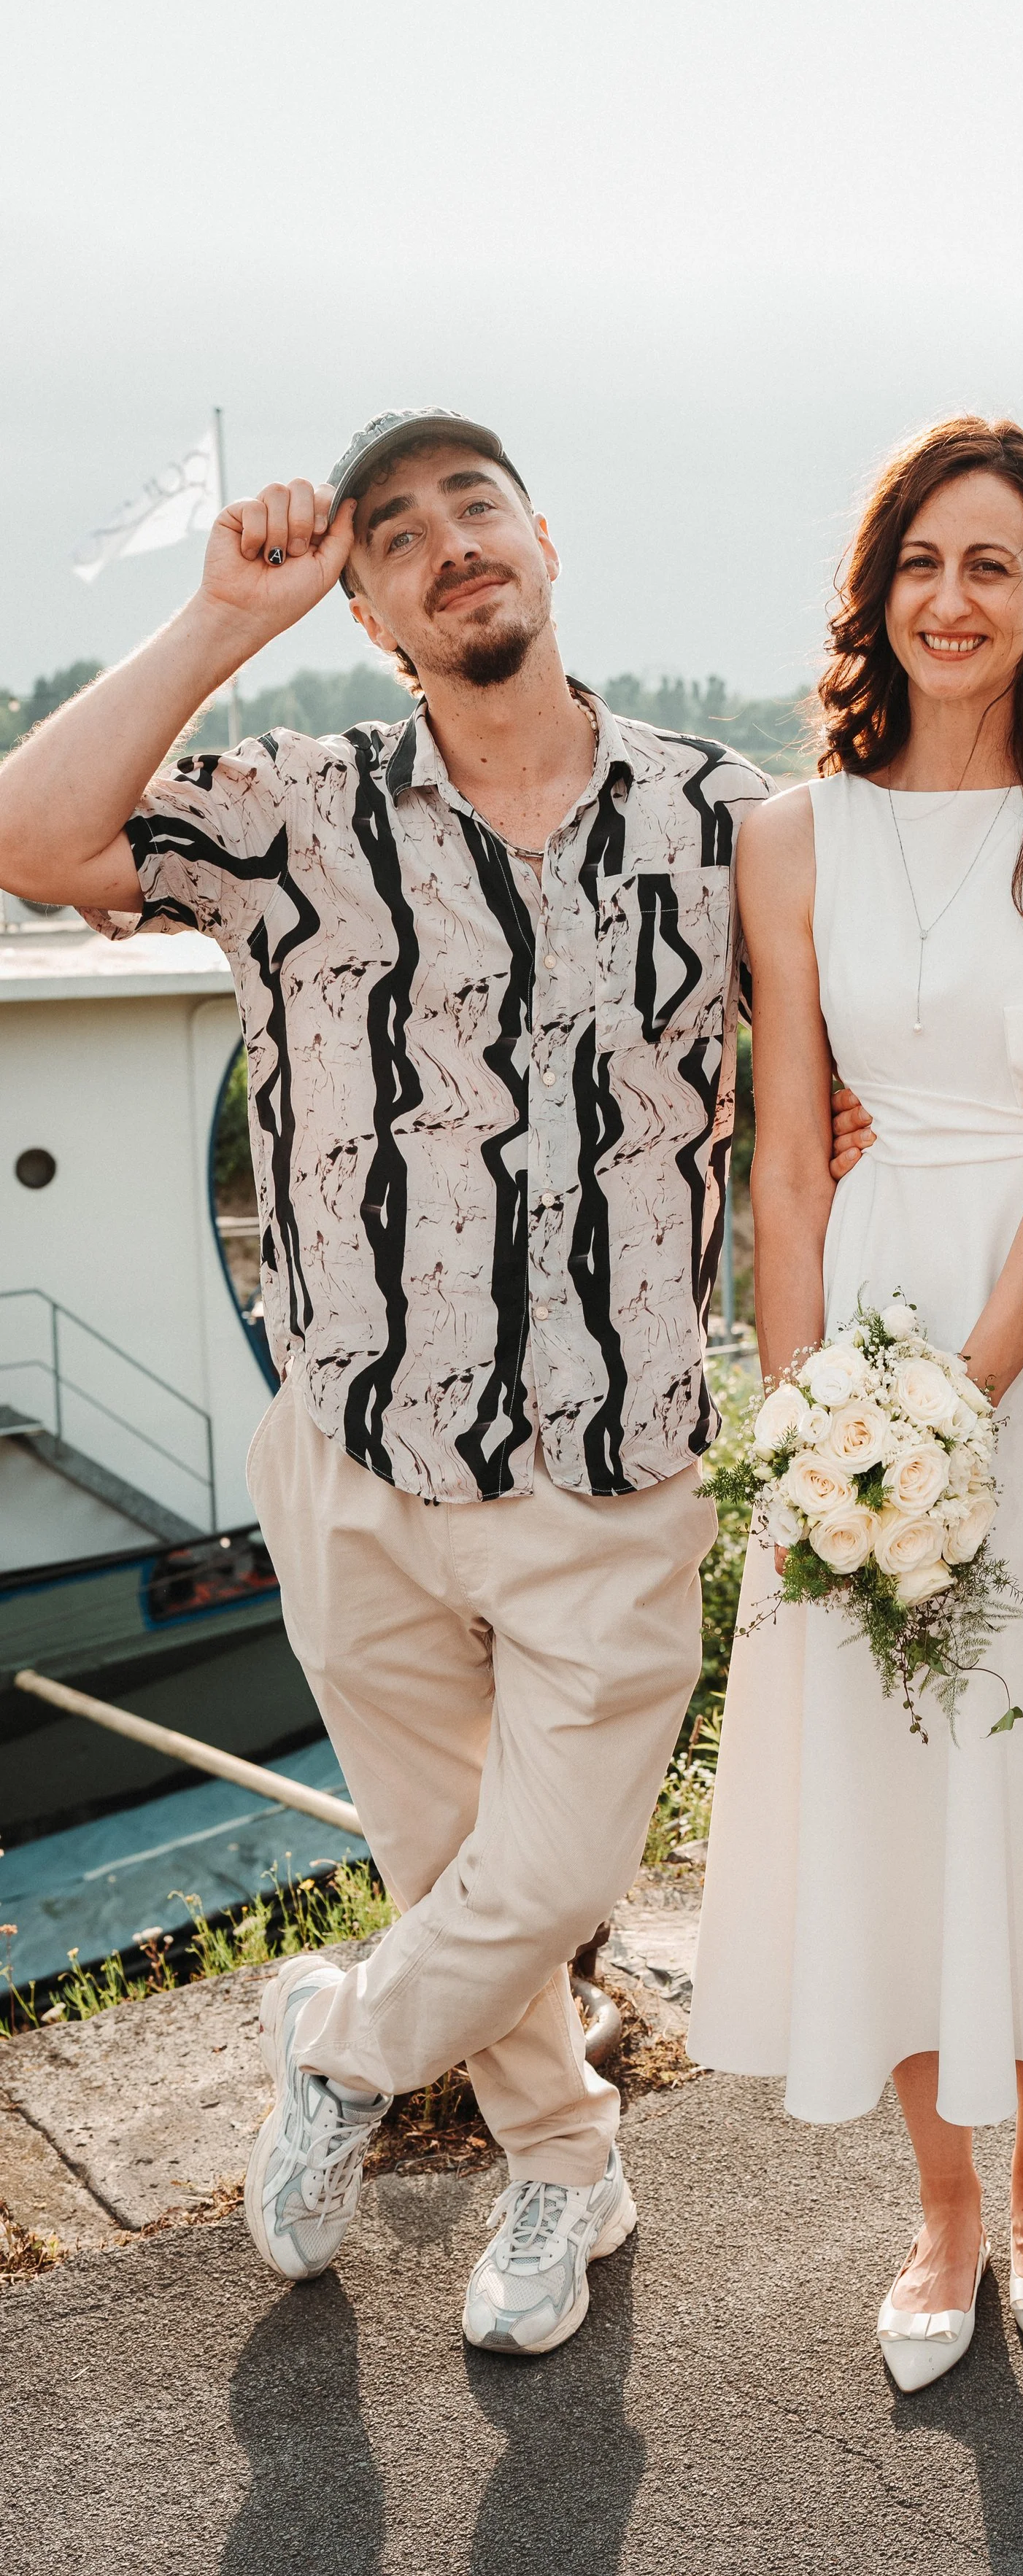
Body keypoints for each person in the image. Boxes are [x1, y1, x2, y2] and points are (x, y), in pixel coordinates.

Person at [0, 408, 770, 2356]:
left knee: (554, 1869)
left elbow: (851, 1095)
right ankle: (564, 2165)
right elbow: (28, 841)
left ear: (546, 540)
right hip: (351, 1465)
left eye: (475, 505)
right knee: (448, 1870)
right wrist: (214, 618)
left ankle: (337, 2047)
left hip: (613, 1474)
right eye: (396, 535)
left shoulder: (730, 816)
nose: (447, 544)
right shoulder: (292, 802)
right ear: (366, 602)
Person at [687, 416, 1023, 2393]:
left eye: (992, 561)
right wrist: (813, 1429)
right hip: (861, 1318)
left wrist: (955, 1404)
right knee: (892, 1760)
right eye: (923, 557)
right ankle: (936, 2203)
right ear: (876, 584)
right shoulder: (789, 834)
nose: (952, 595)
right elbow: (785, 1158)